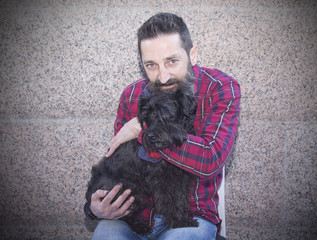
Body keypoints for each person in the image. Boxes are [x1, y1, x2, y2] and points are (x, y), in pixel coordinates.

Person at [84, 12, 241, 239]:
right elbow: (117, 164)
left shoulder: (220, 88)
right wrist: (94, 208)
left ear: (193, 54)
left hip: (191, 215)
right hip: (132, 216)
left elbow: (211, 158)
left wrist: (142, 130)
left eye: (172, 61)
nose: (163, 76)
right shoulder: (131, 95)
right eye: (151, 65)